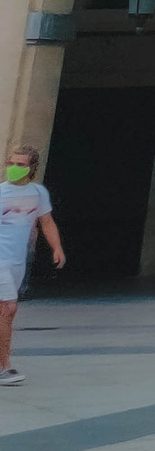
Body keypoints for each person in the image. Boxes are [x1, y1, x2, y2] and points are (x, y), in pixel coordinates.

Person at [0, 148, 63, 386]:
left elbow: (46, 221)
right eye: (12, 162)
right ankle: (5, 367)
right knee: (8, 308)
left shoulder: (37, 193)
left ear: (32, 168)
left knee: (4, 313)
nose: (14, 167)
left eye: (21, 164)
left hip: (17, 261)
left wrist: (56, 248)